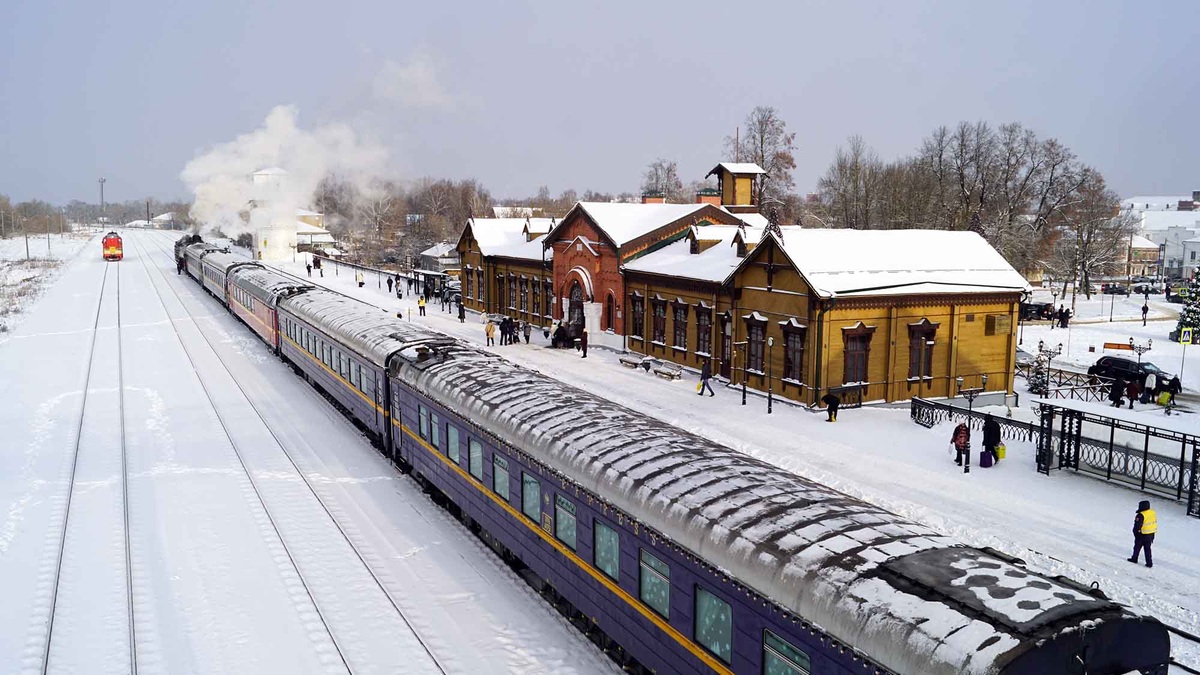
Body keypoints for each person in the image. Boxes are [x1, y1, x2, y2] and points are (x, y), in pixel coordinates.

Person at [1128, 499, 1157, 568]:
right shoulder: (1152, 512)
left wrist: (1136, 533)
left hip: (1142, 534)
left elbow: (1137, 526)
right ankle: (1149, 563)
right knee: (1148, 549)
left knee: (1137, 547)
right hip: (1151, 534)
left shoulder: (1141, 515)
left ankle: (1134, 558)